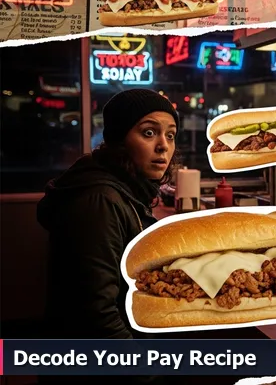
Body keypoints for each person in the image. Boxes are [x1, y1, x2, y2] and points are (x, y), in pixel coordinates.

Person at [37, 89, 179, 341]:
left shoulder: (128, 190)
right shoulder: (100, 200)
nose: (163, 146)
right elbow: (97, 317)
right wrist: (149, 373)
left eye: (170, 135)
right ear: (119, 139)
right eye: (149, 132)